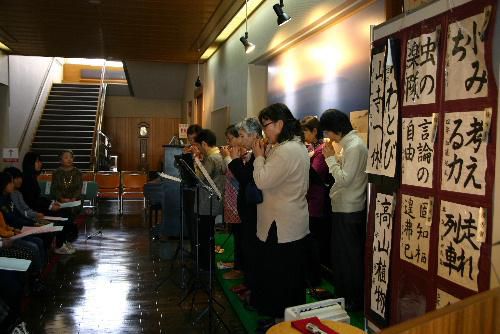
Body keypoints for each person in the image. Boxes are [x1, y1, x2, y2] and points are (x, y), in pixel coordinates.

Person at [252, 103, 310, 322]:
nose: (264, 131)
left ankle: (280, 319)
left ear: (279, 123)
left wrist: (259, 156)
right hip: (290, 218)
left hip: (281, 222)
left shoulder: (286, 150)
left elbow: (262, 180)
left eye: (265, 125)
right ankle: (284, 318)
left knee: (280, 275)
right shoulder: (293, 146)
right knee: (288, 273)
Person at [320, 108, 368, 312]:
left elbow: (345, 179)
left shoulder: (355, 146)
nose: (326, 137)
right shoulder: (349, 145)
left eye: (327, 132)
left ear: (335, 130)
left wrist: (330, 158)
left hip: (349, 209)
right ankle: (343, 295)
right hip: (344, 208)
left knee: (349, 258)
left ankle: (351, 299)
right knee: (342, 256)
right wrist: (334, 158)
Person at [227, 117, 263, 303]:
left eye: (242, 136)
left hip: (254, 210)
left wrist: (234, 161)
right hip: (247, 208)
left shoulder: (259, 152)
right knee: (247, 247)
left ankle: (252, 286)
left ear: (254, 135)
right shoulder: (252, 152)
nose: (240, 140)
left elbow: (247, 179)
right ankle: (248, 283)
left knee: (251, 249)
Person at [301, 116, 331, 283]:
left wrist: (305, 157)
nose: (303, 134)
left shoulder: (321, 149)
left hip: (316, 199)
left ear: (314, 131)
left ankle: (314, 277)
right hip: (308, 198)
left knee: (313, 239)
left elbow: (316, 172)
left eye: (305, 130)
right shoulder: (312, 147)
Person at [192, 129, 226, 271]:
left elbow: (201, 178)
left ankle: (206, 265)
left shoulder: (212, 158)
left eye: (199, 146)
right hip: (212, 201)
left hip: (207, 202)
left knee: (205, 234)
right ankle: (207, 263)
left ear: (204, 144)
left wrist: (195, 161)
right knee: (208, 233)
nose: (199, 149)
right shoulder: (219, 156)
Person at [219, 125, 243, 280]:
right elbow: (224, 171)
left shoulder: (242, 153)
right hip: (231, 197)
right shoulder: (235, 152)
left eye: (230, 138)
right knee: (237, 234)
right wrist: (225, 157)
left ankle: (240, 268)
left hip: (239, 199)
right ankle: (236, 263)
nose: (228, 142)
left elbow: (237, 175)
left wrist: (228, 157)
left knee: (241, 235)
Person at [49, 150, 82, 253]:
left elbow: (78, 188)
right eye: (66, 157)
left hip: (74, 201)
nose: (69, 159)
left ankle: (66, 240)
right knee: (63, 216)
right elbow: (54, 188)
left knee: (70, 216)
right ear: (60, 160)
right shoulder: (56, 172)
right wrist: (61, 198)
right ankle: (62, 242)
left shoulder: (77, 172)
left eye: (71, 157)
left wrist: (73, 198)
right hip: (60, 201)